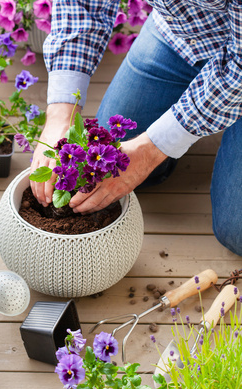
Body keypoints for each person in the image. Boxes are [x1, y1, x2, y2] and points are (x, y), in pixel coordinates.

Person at [30, 0, 242, 256]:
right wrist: (60, 113)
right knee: (109, 161)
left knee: (236, 232)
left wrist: (149, 151)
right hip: (184, 31)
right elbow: (82, 4)